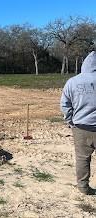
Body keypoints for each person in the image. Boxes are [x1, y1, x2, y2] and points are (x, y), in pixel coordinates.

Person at [61, 51, 96, 195]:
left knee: (82, 158)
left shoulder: (73, 81)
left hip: (81, 127)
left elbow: (65, 105)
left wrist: (71, 121)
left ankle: (83, 187)